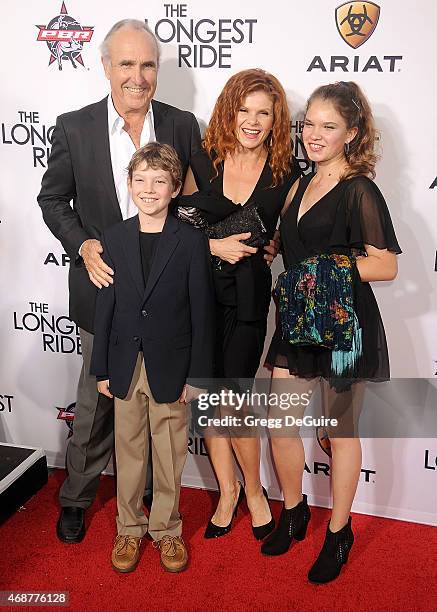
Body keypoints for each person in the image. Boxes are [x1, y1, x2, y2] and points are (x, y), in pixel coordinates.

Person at [37, 19, 202, 543]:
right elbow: (52, 200)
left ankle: (152, 501)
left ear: (158, 70)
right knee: (95, 403)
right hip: (103, 287)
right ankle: (77, 497)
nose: (137, 75)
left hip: (164, 294)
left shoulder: (180, 123)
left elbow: (198, 201)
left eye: (147, 64)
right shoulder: (74, 126)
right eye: (126, 63)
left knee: (156, 400)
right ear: (105, 67)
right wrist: (83, 244)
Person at [262, 81, 401, 584]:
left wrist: (325, 267)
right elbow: (291, 246)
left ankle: (339, 531)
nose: (313, 135)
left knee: (341, 434)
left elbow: (385, 265)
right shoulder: (300, 183)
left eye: (328, 127)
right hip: (298, 323)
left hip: (344, 326)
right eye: (308, 125)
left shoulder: (360, 188)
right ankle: (295, 510)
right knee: (280, 425)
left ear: (352, 132)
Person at [182, 69, 301, 539]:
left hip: (249, 300)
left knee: (234, 402)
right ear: (229, 112)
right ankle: (227, 492)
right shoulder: (204, 160)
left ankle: (254, 490)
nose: (252, 121)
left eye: (264, 113)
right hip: (199, 297)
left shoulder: (286, 174)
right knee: (210, 401)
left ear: (276, 121)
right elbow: (176, 231)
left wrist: (275, 245)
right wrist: (213, 248)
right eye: (244, 110)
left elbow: (294, 234)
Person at [90, 142, 214, 573]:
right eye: (140, 180)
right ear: (129, 184)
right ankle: (128, 528)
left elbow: (202, 310)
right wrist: (101, 368)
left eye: (160, 181)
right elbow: (106, 306)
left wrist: (197, 375)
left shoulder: (192, 241)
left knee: (168, 452)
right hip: (124, 364)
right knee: (128, 452)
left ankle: (166, 530)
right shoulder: (114, 236)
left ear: (175, 188)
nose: (149, 189)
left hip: (171, 366)